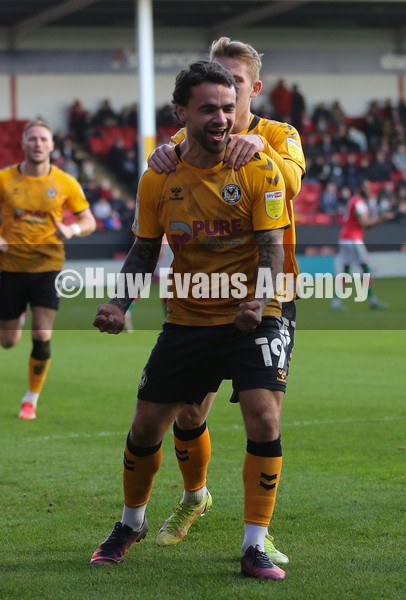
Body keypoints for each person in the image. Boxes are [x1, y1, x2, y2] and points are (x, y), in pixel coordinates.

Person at [91, 59, 292, 581]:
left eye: (229, 107)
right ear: (181, 113)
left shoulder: (259, 164)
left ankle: (254, 546)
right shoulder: (159, 175)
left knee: (264, 417)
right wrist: (120, 304)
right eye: (209, 109)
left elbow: (272, 244)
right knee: (148, 424)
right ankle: (131, 522)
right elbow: (143, 249)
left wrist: (259, 299)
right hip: (189, 315)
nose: (223, 118)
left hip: (255, 312)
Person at [146, 36, 305, 565]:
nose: (226, 98)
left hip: (268, 294)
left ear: (252, 89)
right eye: (217, 85)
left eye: (234, 84)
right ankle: (194, 497)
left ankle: (260, 532)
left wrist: (261, 152)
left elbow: (294, 187)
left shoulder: (281, 136)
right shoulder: (190, 133)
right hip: (200, 298)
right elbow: (168, 163)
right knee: (189, 412)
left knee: (265, 414)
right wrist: (162, 151)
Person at [0, 119, 96, 419]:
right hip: (11, 268)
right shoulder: (4, 180)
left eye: (43, 139)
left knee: (42, 336)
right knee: (8, 341)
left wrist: (72, 230)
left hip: (48, 268)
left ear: (52, 146)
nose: (38, 144)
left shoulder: (65, 182)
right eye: (33, 139)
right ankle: (19, 312)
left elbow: (88, 221)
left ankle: (30, 399)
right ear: (24, 144)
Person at [331, 180, 394, 311]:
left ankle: (336, 301)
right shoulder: (359, 203)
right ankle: (372, 300)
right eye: (366, 188)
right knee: (366, 269)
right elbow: (365, 224)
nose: (369, 190)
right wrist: (381, 218)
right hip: (353, 239)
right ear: (361, 189)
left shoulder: (354, 200)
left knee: (346, 269)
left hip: (345, 238)